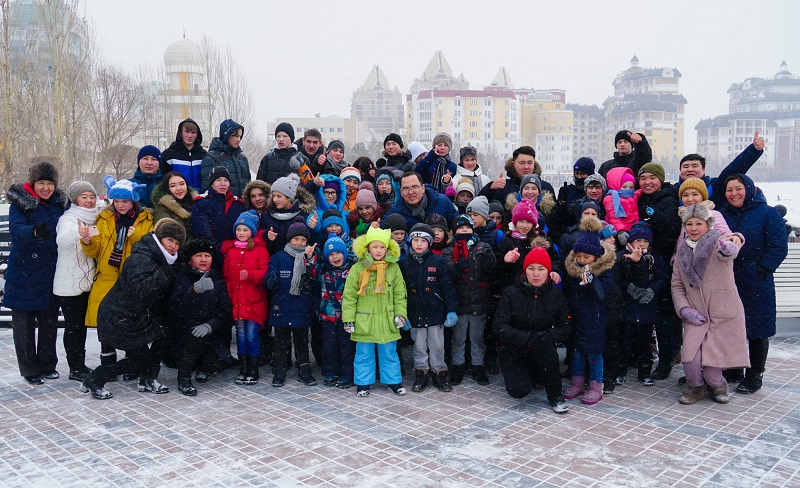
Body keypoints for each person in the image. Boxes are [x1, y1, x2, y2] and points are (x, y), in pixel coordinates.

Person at [80, 219, 186, 399]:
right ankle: (95, 379)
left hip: (136, 315)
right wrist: (165, 273)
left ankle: (148, 379)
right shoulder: (142, 258)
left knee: (164, 334)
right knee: (140, 358)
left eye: (177, 243)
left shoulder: (161, 259)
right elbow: (140, 290)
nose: (173, 246)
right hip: (120, 316)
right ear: (160, 239)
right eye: (170, 240)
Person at [672, 204, 749, 404]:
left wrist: (734, 243)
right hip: (696, 314)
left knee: (713, 367)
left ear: (708, 225)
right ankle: (695, 387)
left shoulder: (718, 243)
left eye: (699, 223)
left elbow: (730, 249)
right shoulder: (681, 252)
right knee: (690, 360)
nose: (694, 228)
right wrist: (684, 309)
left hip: (721, 311)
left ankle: (717, 384)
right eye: (689, 224)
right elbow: (677, 285)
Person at [718, 174, 788, 394]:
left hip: (757, 280)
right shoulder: (723, 213)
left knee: (757, 329)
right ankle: (734, 368)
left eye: (738, 189)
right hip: (728, 276)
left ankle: (755, 374)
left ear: (749, 189)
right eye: (729, 190)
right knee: (731, 325)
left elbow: (778, 246)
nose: (734, 194)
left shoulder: (766, 213)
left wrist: (762, 269)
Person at [5, 162, 70, 384]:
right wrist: (33, 231)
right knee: (23, 325)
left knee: (49, 321)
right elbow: (15, 229)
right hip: (24, 270)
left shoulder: (60, 204)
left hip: (50, 270)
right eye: (41, 182)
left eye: (50, 183)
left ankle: (47, 364)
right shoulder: (21, 204)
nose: (46, 188)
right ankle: (29, 369)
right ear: (33, 183)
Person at [82, 177, 154, 376]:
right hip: (106, 277)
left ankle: (132, 365)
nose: (120, 205)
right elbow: (95, 251)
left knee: (130, 324)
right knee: (105, 324)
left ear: (133, 201)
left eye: (125, 201)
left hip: (132, 279)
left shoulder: (146, 220)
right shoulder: (103, 219)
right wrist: (87, 242)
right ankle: (108, 366)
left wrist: (137, 237)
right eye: (117, 201)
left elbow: (151, 247)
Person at [493, 247, 572, 413]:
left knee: (547, 358)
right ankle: (527, 374)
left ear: (548, 272)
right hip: (515, 347)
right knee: (518, 391)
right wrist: (524, 338)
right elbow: (500, 326)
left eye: (541, 269)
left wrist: (550, 335)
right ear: (525, 270)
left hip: (542, 343)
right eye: (531, 269)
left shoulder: (556, 295)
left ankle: (555, 395)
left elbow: (566, 326)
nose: (536, 274)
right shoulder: (511, 292)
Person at [341, 227, 408, 397]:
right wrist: (348, 320)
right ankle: (363, 383)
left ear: (387, 248)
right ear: (368, 248)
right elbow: (349, 296)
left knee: (389, 353)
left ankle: (393, 381)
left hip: (387, 319)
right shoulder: (358, 268)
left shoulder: (393, 268)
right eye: (375, 247)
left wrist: (400, 314)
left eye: (382, 247)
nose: (378, 251)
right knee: (363, 353)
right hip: (365, 320)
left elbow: (400, 294)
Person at [562, 216, 616, 405]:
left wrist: (591, 279)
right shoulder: (572, 269)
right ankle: (577, 381)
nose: (582, 260)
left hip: (595, 319)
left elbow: (602, 295)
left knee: (594, 353)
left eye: (586, 257)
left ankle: (596, 384)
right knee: (577, 352)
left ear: (595, 256)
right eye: (579, 256)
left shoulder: (604, 270)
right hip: (577, 318)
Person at [636, 162, 682, 381]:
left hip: (665, 266)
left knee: (665, 318)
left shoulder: (669, 200)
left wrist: (653, 215)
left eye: (651, 178)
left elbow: (673, 231)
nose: (647, 182)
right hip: (643, 265)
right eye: (643, 178)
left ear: (660, 179)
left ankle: (666, 360)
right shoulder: (640, 199)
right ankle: (642, 357)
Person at [399, 224, 458, 392]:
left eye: (423, 241)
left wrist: (451, 309)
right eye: (415, 240)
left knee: (437, 345)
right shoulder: (404, 263)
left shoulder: (438, 262)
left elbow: (448, 287)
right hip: (415, 313)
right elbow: (400, 292)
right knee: (418, 346)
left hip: (435, 313)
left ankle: (439, 372)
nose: (418, 244)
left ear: (430, 243)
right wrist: (403, 315)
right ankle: (421, 372)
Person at [169, 239, 233, 396]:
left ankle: (202, 366)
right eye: (198, 255)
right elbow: (174, 307)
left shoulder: (217, 280)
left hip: (209, 332)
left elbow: (225, 311)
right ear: (190, 259)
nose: (204, 259)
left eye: (207, 255)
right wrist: (194, 291)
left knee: (218, 363)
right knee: (193, 340)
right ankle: (183, 379)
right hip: (183, 332)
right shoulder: (181, 278)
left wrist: (210, 325)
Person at [442, 214, 497, 386]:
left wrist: (490, 261)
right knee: (458, 338)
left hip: (479, 300)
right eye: (460, 228)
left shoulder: (482, 247)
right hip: (459, 302)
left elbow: (492, 270)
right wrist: (456, 268)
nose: (464, 231)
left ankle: (477, 365)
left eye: (467, 228)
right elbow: (446, 271)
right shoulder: (450, 250)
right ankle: (458, 365)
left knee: (477, 338)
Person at [54, 181, 99, 382]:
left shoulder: (94, 219)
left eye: (92, 196)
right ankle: (76, 367)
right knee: (74, 327)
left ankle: (80, 365)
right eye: (84, 197)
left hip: (88, 281)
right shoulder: (69, 219)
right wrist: (76, 233)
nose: (89, 201)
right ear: (75, 199)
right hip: (69, 283)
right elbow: (61, 240)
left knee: (81, 326)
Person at [615, 222, 669, 386]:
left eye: (645, 242)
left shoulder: (655, 259)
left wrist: (652, 290)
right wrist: (629, 288)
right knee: (624, 342)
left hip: (647, 308)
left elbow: (663, 278)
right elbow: (619, 278)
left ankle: (645, 371)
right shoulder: (622, 257)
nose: (641, 245)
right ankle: (621, 370)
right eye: (638, 241)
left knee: (645, 344)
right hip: (628, 307)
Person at [220, 210, 269, 385]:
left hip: (254, 301)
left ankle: (253, 369)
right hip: (238, 302)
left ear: (252, 232)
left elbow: (265, 273)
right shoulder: (231, 251)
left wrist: (250, 275)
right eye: (239, 229)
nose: (241, 233)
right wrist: (230, 292)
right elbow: (226, 276)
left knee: (251, 335)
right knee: (240, 336)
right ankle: (243, 368)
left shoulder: (260, 250)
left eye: (245, 229)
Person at [266, 223, 317, 387]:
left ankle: (304, 369)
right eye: (296, 239)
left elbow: (315, 278)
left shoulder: (309, 258)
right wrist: (270, 279)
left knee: (302, 342)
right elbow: (269, 279)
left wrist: (310, 260)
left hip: (301, 307)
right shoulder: (279, 257)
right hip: (282, 307)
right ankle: (279, 369)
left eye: (303, 240)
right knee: (281, 342)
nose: (300, 243)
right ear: (289, 239)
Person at [306, 235, 355, 389]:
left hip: (347, 316)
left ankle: (347, 374)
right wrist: (309, 257)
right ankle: (330, 372)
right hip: (328, 317)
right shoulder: (323, 271)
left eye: (338, 253)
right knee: (329, 346)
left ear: (345, 254)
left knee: (347, 347)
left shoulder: (351, 270)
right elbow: (312, 271)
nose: (335, 257)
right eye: (331, 255)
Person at [672, 130, 765, 206]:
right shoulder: (672, 191)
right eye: (686, 166)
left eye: (695, 166)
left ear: (704, 170)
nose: (690, 169)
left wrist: (754, 150)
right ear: (680, 171)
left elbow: (734, 168)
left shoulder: (715, 186)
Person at [191, 166, 245, 254]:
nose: (223, 184)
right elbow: (203, 233)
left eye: (226, 180)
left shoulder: (238, 205)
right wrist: (220, 251)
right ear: (211, 184)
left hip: (236, 253)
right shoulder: (202, 203)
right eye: (218, 180)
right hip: (212, 253)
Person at [478, 146, 556, 205]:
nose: (526, 167)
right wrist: (490, 188)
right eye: (522, 163)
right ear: (513, 163)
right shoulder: (502, 187)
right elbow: (479, 206)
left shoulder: (546, 188)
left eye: (529, 163)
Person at [261, 174, 316, 256]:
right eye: (274, 196)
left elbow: (309, 239)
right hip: (276, 260)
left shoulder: (302, 214)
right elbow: (262, 241)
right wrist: (268, 237)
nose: (275, 199)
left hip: (297, 259)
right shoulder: (268, 214)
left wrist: (313, 227)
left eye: (279, 196)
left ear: (289, 197)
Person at [384, 171, 456, 229]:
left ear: (423, 188)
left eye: (415, 187)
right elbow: (381, 226)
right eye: (405, 188)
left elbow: (457, 224)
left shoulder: (442, 201)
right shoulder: (396, 210)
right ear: (401, 192)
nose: (410, 192)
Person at [201, 119, 250, 197]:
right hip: (222, 206)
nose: (239, 140)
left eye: (240, 136)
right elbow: (207, 188)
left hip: (242, 205)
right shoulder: (211, 158)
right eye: (236, 136)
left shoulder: (242, 158)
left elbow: (248, 185)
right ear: (227, 135)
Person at [160, 118, 208, 191]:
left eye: (193, 132)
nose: (190, 135)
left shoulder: (204, 155)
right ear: (180, 133)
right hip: (178, 198)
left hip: (200, 197)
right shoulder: (169, 155)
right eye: (187, 132)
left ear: (197, 134)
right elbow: (162, 180)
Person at [151, 171, 197, 237]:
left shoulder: (196, 204)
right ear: (167, 188)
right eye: (173, 186)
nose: (179, 188)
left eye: (182, 184)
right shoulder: (162, 210)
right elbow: (168, 237)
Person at [602, 167, 641, 242]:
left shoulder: (633, 196)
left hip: (633, 230)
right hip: (618, 233)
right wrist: (620, 230)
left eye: (631, 187)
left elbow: (639, 192)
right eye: (624, 187)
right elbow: (613, 217)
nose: (628, 190)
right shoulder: (610, 198)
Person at [306, 173, 349, 239]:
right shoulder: (315, 212)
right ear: (320, 194)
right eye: (326, 192)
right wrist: (313, 224)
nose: (330, 196)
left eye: (333, 192)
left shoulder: (345, 213)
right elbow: (315, 228)